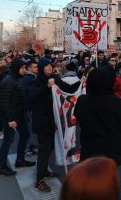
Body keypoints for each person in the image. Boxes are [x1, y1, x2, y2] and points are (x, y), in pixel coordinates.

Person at [74, 67, 121, 199]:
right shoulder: (117, 103)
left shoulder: (82, 101)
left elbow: (79, 117)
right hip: (112, 158)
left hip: (89, 156)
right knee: (115, 194)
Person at [29, 59, 81, 192]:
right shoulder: (35, 81)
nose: (49, 67)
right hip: (42, 122)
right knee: (44, 149)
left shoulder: (55, 78)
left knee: (50, 147)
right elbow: (31, 98)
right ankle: (39, 180)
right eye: (46, 66)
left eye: (50, 65)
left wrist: (81, 82)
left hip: (55, 120)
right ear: (41, 68)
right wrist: (46, 87)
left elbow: (68, 89)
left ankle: (44, 170)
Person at [0, 59, 35, 176]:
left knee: (25, 134)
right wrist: (10, 120)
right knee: (8, 141)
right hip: (11, 117)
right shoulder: (9, 81)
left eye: (25, 68)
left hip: (19, 115)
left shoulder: (17, 79)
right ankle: (2, 166)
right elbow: (4, 103)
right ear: (16, 68)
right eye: (23, 68)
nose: (25, 70)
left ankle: (20, 160)